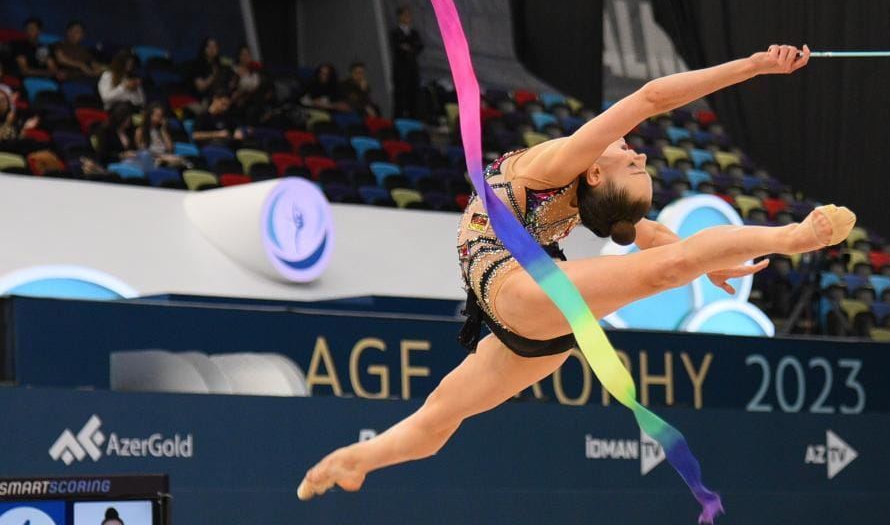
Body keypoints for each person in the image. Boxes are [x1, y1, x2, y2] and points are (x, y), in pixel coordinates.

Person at [298, 44, 856, 498]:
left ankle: (794, 237)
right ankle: (357, 460)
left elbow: (653, 100)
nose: (637, 154)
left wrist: (756, 65)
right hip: (529, 305)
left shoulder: (566, 163)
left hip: (527, 298)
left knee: (665, 268)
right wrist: (698, 260)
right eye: (639, 162)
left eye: (634, 164)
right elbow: (660, 243)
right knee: (439, 416)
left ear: (594, 175)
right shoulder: (554, 170)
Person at [389, 5, 423, 118]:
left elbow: (419, 46)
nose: (408, 17)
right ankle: (399, 120)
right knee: (400, 97)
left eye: (409, 15)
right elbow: (398, 48)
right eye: (405, 15)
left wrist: (409, 47)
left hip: (413, 69)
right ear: (400, 17)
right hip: (400, 70)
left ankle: (414, 118)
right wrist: (408, 47)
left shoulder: (414, 33)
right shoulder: (395, 33)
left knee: (414, 97)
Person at [135, 102, 186, 167]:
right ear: (149, 115)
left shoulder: (162, 130)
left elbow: (170, 148)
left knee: (181, 159)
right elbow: (143, 152)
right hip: (152, 159)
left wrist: (163, 130)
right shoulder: (140, 131)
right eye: (157, 116)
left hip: (165, 156)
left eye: (161, 116)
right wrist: (162, 157)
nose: (159, 119)